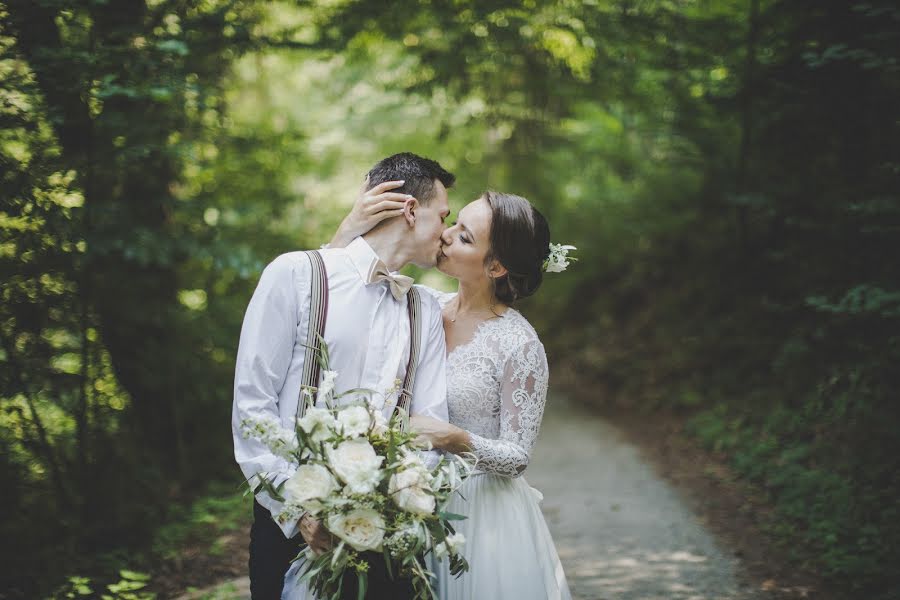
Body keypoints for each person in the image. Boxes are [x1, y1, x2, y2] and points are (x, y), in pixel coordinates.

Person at [232, 152, 455, 600]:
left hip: (388, 537)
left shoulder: (425, 307)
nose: (447, 232)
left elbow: (428, 418)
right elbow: (252, 405)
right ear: (411, 210)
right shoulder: (296, 275)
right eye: (443, 216)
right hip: (289, 527)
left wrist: (399, 499)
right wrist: (300, 510)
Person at [331, 187, 573, 599]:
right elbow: (342, 302)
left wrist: (453, 438)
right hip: (406, 501)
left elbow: (517, 456)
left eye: (464, 236)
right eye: (455, 223)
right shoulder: (420, 306)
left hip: (483, 519)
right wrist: (345, 234)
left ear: (496, 266)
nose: (445, 234)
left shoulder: (519, 345)